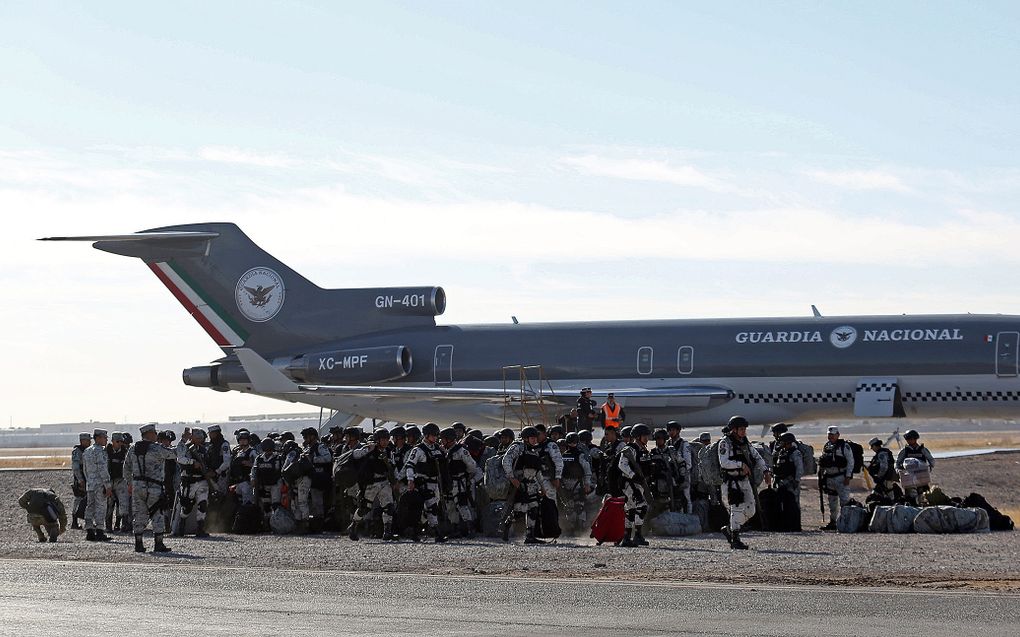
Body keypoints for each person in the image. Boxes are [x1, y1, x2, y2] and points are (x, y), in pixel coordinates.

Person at [718, 416, 770, 550]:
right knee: (736, 508)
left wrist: (765, 471)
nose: (744, 432)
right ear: (734, 430)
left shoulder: (745, 443)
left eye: (744, 429)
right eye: (741, 429)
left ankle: (730, 529)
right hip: (731, 482)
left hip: (745, 481)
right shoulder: (725, 443)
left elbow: (757, 457)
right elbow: (724, 463)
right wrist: (740, 464)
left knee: (751, 510)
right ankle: (735, 539)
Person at [124, 423, 178, 552]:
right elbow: (174, 454)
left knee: (139, 514)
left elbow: (126, 468)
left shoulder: (133, 448)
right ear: (149, 434)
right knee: (157, 513)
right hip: (154, 486)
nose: (156, 435)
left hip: (138, 486)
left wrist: (130, 483)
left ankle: (138, 543)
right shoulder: (156, 448)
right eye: (154, 433)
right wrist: (183, 441)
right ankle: (158, 543)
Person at [349, 428, 397, 541]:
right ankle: (353, 526)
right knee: (364, 508)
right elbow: (355, 454)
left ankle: (387, 531)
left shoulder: (389, 451)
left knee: (389, 507)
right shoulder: (370, 449)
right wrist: (367, 449)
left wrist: (395, 481)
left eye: (387, 439)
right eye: (382, 439)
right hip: (371, 483)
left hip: (384, 482)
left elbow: (393, 467)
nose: (385, 442)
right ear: (377, 440)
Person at [500, 427, 544, 544]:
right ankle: (507, 524)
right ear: (525, 438)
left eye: (535, 438)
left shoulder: (535, 452)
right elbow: (506, 460)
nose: (535, 440)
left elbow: (538, 471)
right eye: (532, 438)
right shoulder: (518, 447)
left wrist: (542, 486)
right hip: (520, 484)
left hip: (532, 485)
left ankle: (530, 536)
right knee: (519, 511)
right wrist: (512, 478)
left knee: (534, 509)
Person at [405, 422, 447, 542]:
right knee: (432, 507)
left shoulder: (438, 448)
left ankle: (414, 530)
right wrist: (410, 480)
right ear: (426, 435)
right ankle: (437, 533)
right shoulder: (418, 450)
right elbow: (409, 465)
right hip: (423, 483)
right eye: (432, 435)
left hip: (435, 483)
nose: (435, 438)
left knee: (430, 509)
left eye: (436, 435)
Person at [439, 427, 477, 538]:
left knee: (462, 505)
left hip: (459, 482)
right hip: (449, 483)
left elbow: (472, 466)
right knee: (450, 505)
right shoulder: (447, 452)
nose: (442, 442)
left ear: (449, 439)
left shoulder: (461, 451)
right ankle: (454, 529)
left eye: (443, 439)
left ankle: (470, 529)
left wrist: (467, 478)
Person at [618, 424, 652, 547]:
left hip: (640, 484)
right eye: (644, 436)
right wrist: (633, 475)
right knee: (641, 507)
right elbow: (622, 465)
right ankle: (633, 536)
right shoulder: (630, 449)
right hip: (630, 484)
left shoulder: (643, 450)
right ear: (638, 436)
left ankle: (630, 537)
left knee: (632, 509)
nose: (647, 438)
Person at [175, 427, 212, 537]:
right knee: (187, 506)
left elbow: (208, 462)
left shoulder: (203, 450)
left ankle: (200, 528)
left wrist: (210, 471)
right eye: (197, 437)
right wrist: (192, 462)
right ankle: (182, 523)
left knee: (203, 504)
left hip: (202, 480)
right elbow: (180, 459)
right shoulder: (185, 448)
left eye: (201, 438)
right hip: (188, 480)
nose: (200, 440)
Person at [295, 427, 333, 533]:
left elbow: (328, 458)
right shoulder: (307, 448)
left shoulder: (320, 447)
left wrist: (313, 459)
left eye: (306, 437)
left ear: (312, 437)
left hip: (320, 478)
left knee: (318, 502)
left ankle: (319, 525)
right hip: (310, 478)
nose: (304, 439)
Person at [818, 425, 854, 530]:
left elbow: (850, 461)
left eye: (833, 435)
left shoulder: (844, 446)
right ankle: (833, 522)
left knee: (844, 501)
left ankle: (845, 523)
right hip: (829, 478)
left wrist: (848, 476)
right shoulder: (827, 446)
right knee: (832, 502)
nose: (830, 437)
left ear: (838, 435)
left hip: (841, 478)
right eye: (829, 435)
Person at [82, 428, 112, 542]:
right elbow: (103, 469)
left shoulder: (87, 451)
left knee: (90, 507)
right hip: (100, 484)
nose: (106, 440)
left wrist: (89, 480)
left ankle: (89, 531)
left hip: (90, 484)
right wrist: (108, 485)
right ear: (98, 438)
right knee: (101, 507)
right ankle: (99, 531)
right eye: (104, 438)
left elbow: (84, 469)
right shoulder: (100, 451)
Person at [558, 432, 593, 530]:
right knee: (569, 507)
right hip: (565, 483)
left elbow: (587, 470)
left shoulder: (580, 455)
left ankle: (581, 527)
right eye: (570, 442)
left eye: (574, 442)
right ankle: (571, 527)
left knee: (579, 505)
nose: (572, 444)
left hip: (577, 483)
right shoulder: (563, 455)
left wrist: (587, 484)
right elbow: (560, 470)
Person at [251, 438, 285, 527]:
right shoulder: (259, 458)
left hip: (275, 483)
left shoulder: (278, 458)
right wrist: (253, 479)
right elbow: (254, 470)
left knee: (275, 504)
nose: (268, 451)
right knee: (266, 504)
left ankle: (277, 523)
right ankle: (267, 523)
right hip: (264, 484)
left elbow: (282, 471)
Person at [896, 429, 935, 504]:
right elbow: (897, 462)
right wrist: (898, 470)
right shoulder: (904, 451)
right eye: (907, 439)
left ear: (915, 439)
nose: (908, 441)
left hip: (922, 479)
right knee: (911, 499)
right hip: (909, 480)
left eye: (910, 439)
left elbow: (931, 461)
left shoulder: (923, 450)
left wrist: (928, 469)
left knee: (924, 497)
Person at [665, 421, 693, 512]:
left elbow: (688, 463)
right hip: (671, 476)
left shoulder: (684, 444)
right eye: (669, 430)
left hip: (683, 476)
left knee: (686, 497)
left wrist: (681, 474)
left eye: (673, 430)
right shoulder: (667, 444)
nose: (671, 432)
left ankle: (689, 517)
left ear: (678, 431)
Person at [105, 432, 130, 532]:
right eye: (117, 441)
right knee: (109, 504)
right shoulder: (106, 452)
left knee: (123, 503)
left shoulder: (125, 452)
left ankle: (123, 525)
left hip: (121, 481)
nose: (120, 443)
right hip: (109, 481)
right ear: (113, 441)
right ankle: (108, 526)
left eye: (121, 442)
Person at [867, 437, 901, 503]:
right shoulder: (882, 453)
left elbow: (884, 467)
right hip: (886, 477)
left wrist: (879, 477)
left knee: (889, 493)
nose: (872, 449)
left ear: (875, 445)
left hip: (886, 478)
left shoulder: (881, 454)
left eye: (872, 447)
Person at [534, 425, 564, 501]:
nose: (536, 437)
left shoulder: (550, 445)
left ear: (544, 434)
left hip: (548, 479)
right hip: (536, 479)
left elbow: (558, 462)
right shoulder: (534, 445)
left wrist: (557, 477)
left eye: (538, 434)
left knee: (550, 502)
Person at [230, 430, 258, 505]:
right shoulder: (238, 452)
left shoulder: (252, 452)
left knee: (247, 503)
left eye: (245, 440)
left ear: (248, 440)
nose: (243, 442)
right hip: (237, 482)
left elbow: (257, 465)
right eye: (241, 440)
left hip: (247, 481)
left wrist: (249, 464)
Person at [70, 432, 90, 529]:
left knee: (88, 500)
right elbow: (76, 467)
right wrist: (80, 480)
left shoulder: (88, 450)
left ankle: (88, 521)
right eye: (87, 440)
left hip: (87, 477)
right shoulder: (77, 451)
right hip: (80, 479)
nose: (89, 442)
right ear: (82, 441)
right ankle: (74, 522)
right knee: (78, 499)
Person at [205, 425, 233, 496]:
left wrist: (217, 472)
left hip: (222, 475)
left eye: (211, 433)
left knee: (221, 495)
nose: (210, 435)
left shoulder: (224, 444)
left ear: (216, 433)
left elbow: (227, 462)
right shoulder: (211, 445)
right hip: (211, 475)